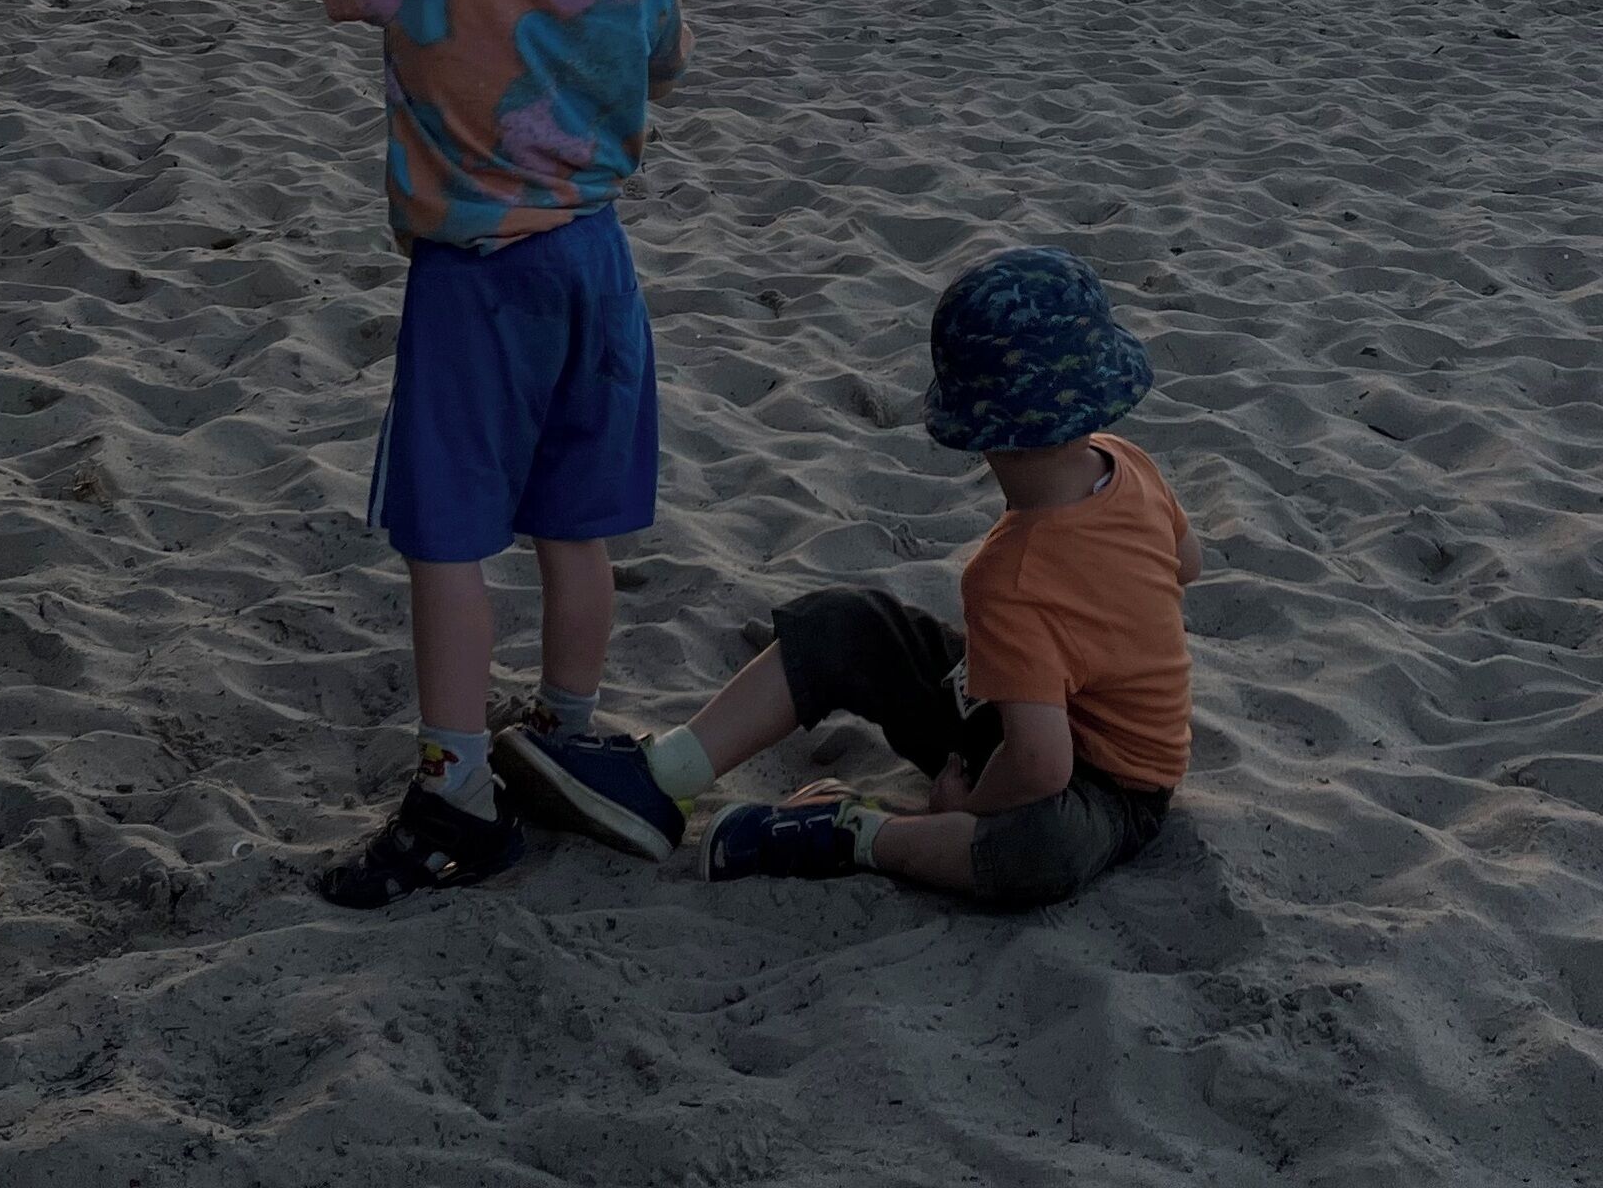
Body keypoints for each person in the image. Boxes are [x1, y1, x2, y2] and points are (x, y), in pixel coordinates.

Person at [231, 0, 689, 908]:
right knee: (575, 526)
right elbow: (665, 69)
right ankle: (567, 733)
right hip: (595, 272)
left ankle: (457, 793)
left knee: (448, 543)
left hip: (473, 287)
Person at [502, 247, 1195, 909]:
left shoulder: (1011, 578)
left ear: (980, 430)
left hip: (1111, 787)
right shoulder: (1126, 462)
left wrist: (966, 805)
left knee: (1037, 848)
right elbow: (1184, 564)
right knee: (852, 625)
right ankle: (664, 776)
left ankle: (858, 833)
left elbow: (1042, 768)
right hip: (1036, 716)